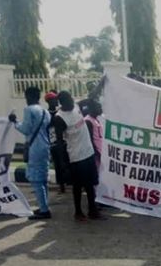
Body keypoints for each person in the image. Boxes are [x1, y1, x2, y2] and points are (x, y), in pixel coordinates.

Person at [53, 91, 105, 222]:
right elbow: (59, 142)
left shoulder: (76, 106)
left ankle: (92, 210)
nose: (71, 103)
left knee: (91, 183)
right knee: (78, 186)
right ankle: (78, 212)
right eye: (68, 101)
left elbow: (91, 97)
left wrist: (102, 83)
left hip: (88, 152)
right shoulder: (59, 118)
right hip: (76, 156)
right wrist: (62, 163)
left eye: (72, 99)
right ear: (62, 104)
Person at [9, 86, 51, 220]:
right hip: (45, 146)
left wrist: (15, 121)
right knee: (43, 178)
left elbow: (26, 129)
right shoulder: (45, 111)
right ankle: (44, 206)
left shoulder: (29, 110)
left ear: (29, 97)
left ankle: (44, 210)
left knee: (36, 179)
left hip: (35, 148)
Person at [44, 91, 69, 194]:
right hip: (53, 142)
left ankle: (71, 182)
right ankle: (61, 185)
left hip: (64, 140)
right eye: (54, 100)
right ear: (49, 101)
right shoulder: (46, 114)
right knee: (58, 165)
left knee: (68, 162)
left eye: (56, 99)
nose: (56, 101)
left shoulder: (60, 111)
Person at [84, 99, 103, 171]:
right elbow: (90, 140)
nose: (101, 109)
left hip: (101, 152)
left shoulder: (97, 119)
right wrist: (97, 154)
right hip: (96, 154)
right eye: (99, 107)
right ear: (92, 108)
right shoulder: (88, 121)